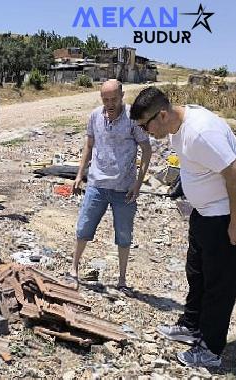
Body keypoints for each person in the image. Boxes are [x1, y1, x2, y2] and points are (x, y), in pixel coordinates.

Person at [131, 86, 236, 368]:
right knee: (197, 273)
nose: (145, 132)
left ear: (162, 115)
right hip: (203, 213)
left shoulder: (201, 132)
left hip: (223, 216)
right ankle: (191, 326)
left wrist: (235, 223)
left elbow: (234, 174)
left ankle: (211, 350)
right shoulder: (178, 127)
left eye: (145, 126)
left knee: (219, 285)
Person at [70, 79, 152, 291]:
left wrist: (138, 183)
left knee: (124, 234)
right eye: (105, 99)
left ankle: (122, 279)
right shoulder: (95, 116)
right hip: (97, 184)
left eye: (113, 99)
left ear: (122, 96)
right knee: (83, 227)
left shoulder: (133, 119)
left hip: (124, 188)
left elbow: (147, 150)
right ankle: (73, 270)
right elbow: (89, 145)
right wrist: (80, 174)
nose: (110, 103)